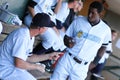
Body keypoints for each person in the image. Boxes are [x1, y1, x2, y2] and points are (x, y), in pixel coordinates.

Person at [50, 1, 111, 80]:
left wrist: (95, 63)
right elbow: (66, 37)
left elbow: (104, 47)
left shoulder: (105, 30)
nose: (89, 15)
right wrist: (68, 42)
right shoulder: (79, 20)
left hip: (83, 67)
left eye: (93, 13)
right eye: (89, 11)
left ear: (100, 14)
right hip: (68, 59)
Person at [0, 13, 59, 80]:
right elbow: (19, 63)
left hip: (12, 68)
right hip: (4, 68)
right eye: (47, 27)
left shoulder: (30, 35)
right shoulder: (22, 36)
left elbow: (28, 58)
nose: (48, 29)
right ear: (40, 28)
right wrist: (36, 66)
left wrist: (49, 56)